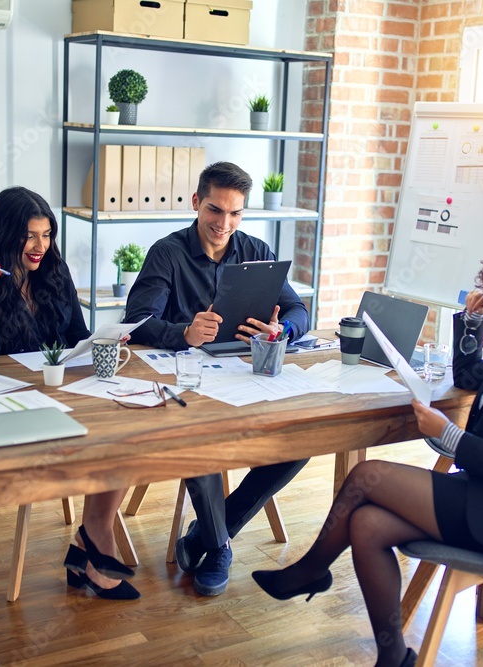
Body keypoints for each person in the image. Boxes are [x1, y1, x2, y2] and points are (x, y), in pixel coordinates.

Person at [251, 240, 483, 667]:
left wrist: (449, 435)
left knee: (366, 476)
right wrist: (472, 322)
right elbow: (472, 374)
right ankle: (394, 656)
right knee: (366, 525)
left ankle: (310, 570)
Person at [124, 161, 310, 597]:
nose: (223, 223)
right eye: (214, 210)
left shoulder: (257, 251)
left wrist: (280, 331)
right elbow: (136, 320)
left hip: (249, 375)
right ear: (196, 203)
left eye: (235, 213)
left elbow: (300, 312)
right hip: (187, 382)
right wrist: (182, 333)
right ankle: (220, 547)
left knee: (304, 437)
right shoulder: (167, 253)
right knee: (199, 440)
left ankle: (207, 535)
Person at [0, 186, 138, 601]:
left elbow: (78, 337)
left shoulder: (55, 272)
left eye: (47, 234)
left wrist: (107, 342)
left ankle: (92, 538)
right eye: (30, 236)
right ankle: (93, 546)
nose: (40, 246)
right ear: (4, 235)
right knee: (105, 441)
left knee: (129, 431)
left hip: (66, 394)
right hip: (12, 405)